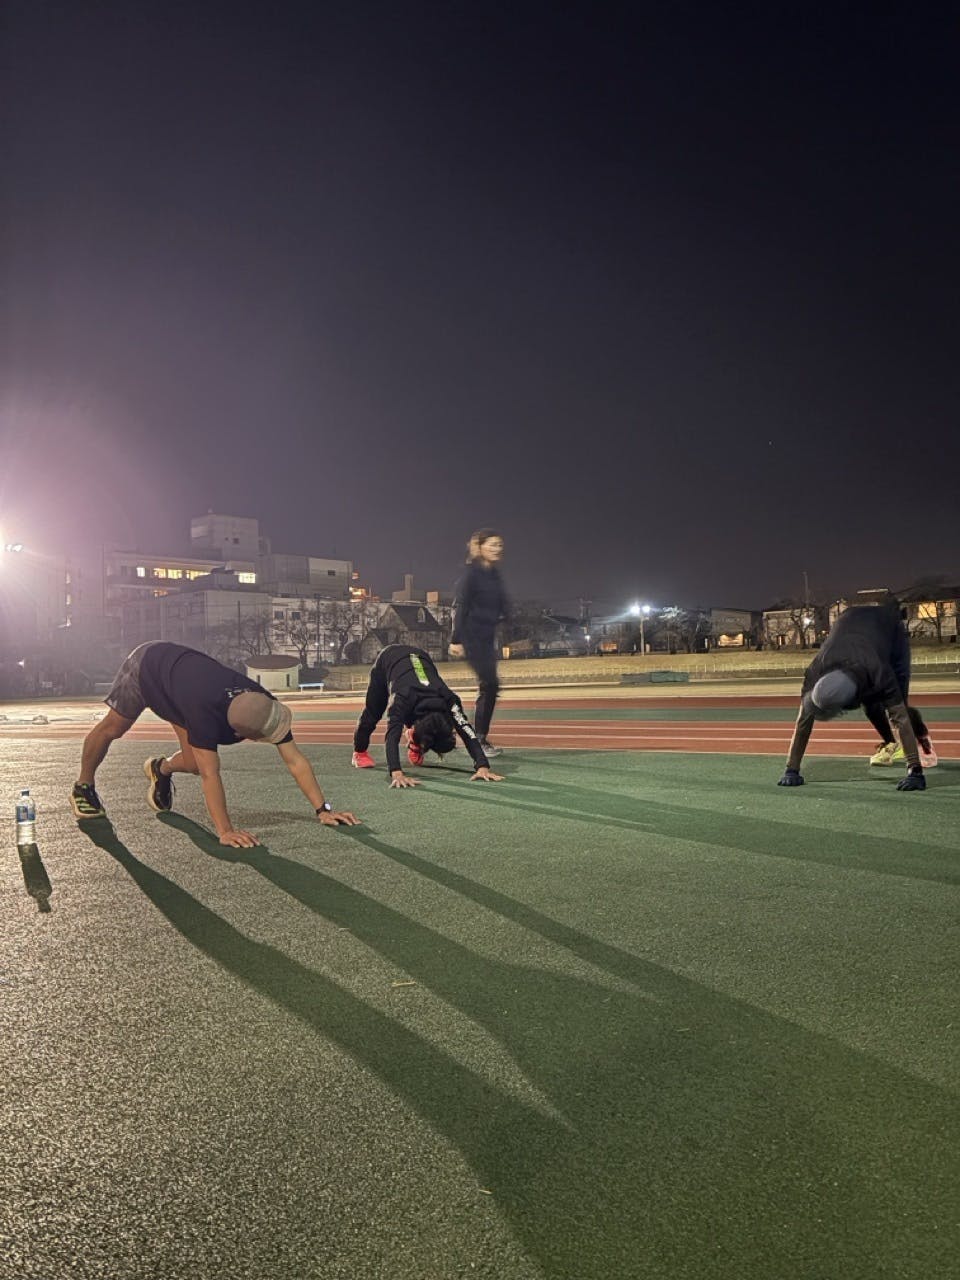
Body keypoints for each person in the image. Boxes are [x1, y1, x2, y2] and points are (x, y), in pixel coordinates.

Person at [71, 641, 359, 845]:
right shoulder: (204, 717)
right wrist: (225, 831)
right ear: (247, 736)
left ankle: (161, 769)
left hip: (182, 682)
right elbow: (211, 775)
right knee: (114, 727)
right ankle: (83, 785)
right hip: (146, 667)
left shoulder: (260, 703)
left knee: (193, 763)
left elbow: (294, 759)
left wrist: (323, 809)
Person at [777, 602, 933, 792]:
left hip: (889, 631)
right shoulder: (814, 672)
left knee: (898, 707)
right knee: (871, 706)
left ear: (844, 708)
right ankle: (891, 744)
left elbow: (900, 716)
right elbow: (803, 722)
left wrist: (915, 772)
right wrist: (791, 769)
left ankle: (922, 739)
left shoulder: (879, 674)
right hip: (850, 619)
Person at [351, 643, 503, 788]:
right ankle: (359, 752)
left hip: (420, 656)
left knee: (427, 727)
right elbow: (392, 734)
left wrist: (482, 765)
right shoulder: (401, 699)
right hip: (388, 659)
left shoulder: (449, 699)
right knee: (373, 712)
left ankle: (416, 739)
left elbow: (465, 728)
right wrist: (396, 772)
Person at [447, 528, 509, 757]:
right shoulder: (470, 575)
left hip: (487, 636)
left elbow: (502, 602)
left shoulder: (494, 575)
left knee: (491, 685)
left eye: (499, 545)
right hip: (471, 636)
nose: (497, 549)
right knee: (489, 683)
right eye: (492, 544)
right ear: (480, 547)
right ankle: (478, 740)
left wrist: (506, 616)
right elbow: (460, 606)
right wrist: (456, 639)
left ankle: (478, 737)